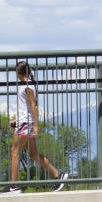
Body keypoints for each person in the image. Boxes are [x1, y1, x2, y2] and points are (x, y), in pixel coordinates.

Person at [4, 61, 68, 193]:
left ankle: (13, 186)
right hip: (24, 122)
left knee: (14, 151)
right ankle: (58, 175)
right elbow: (27, 107)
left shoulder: (27, 86)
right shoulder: (27, 85)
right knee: (33, 154)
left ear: (18, 73)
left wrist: (36, 126)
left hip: (25, 124)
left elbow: (33, 106)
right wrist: (17, 120)